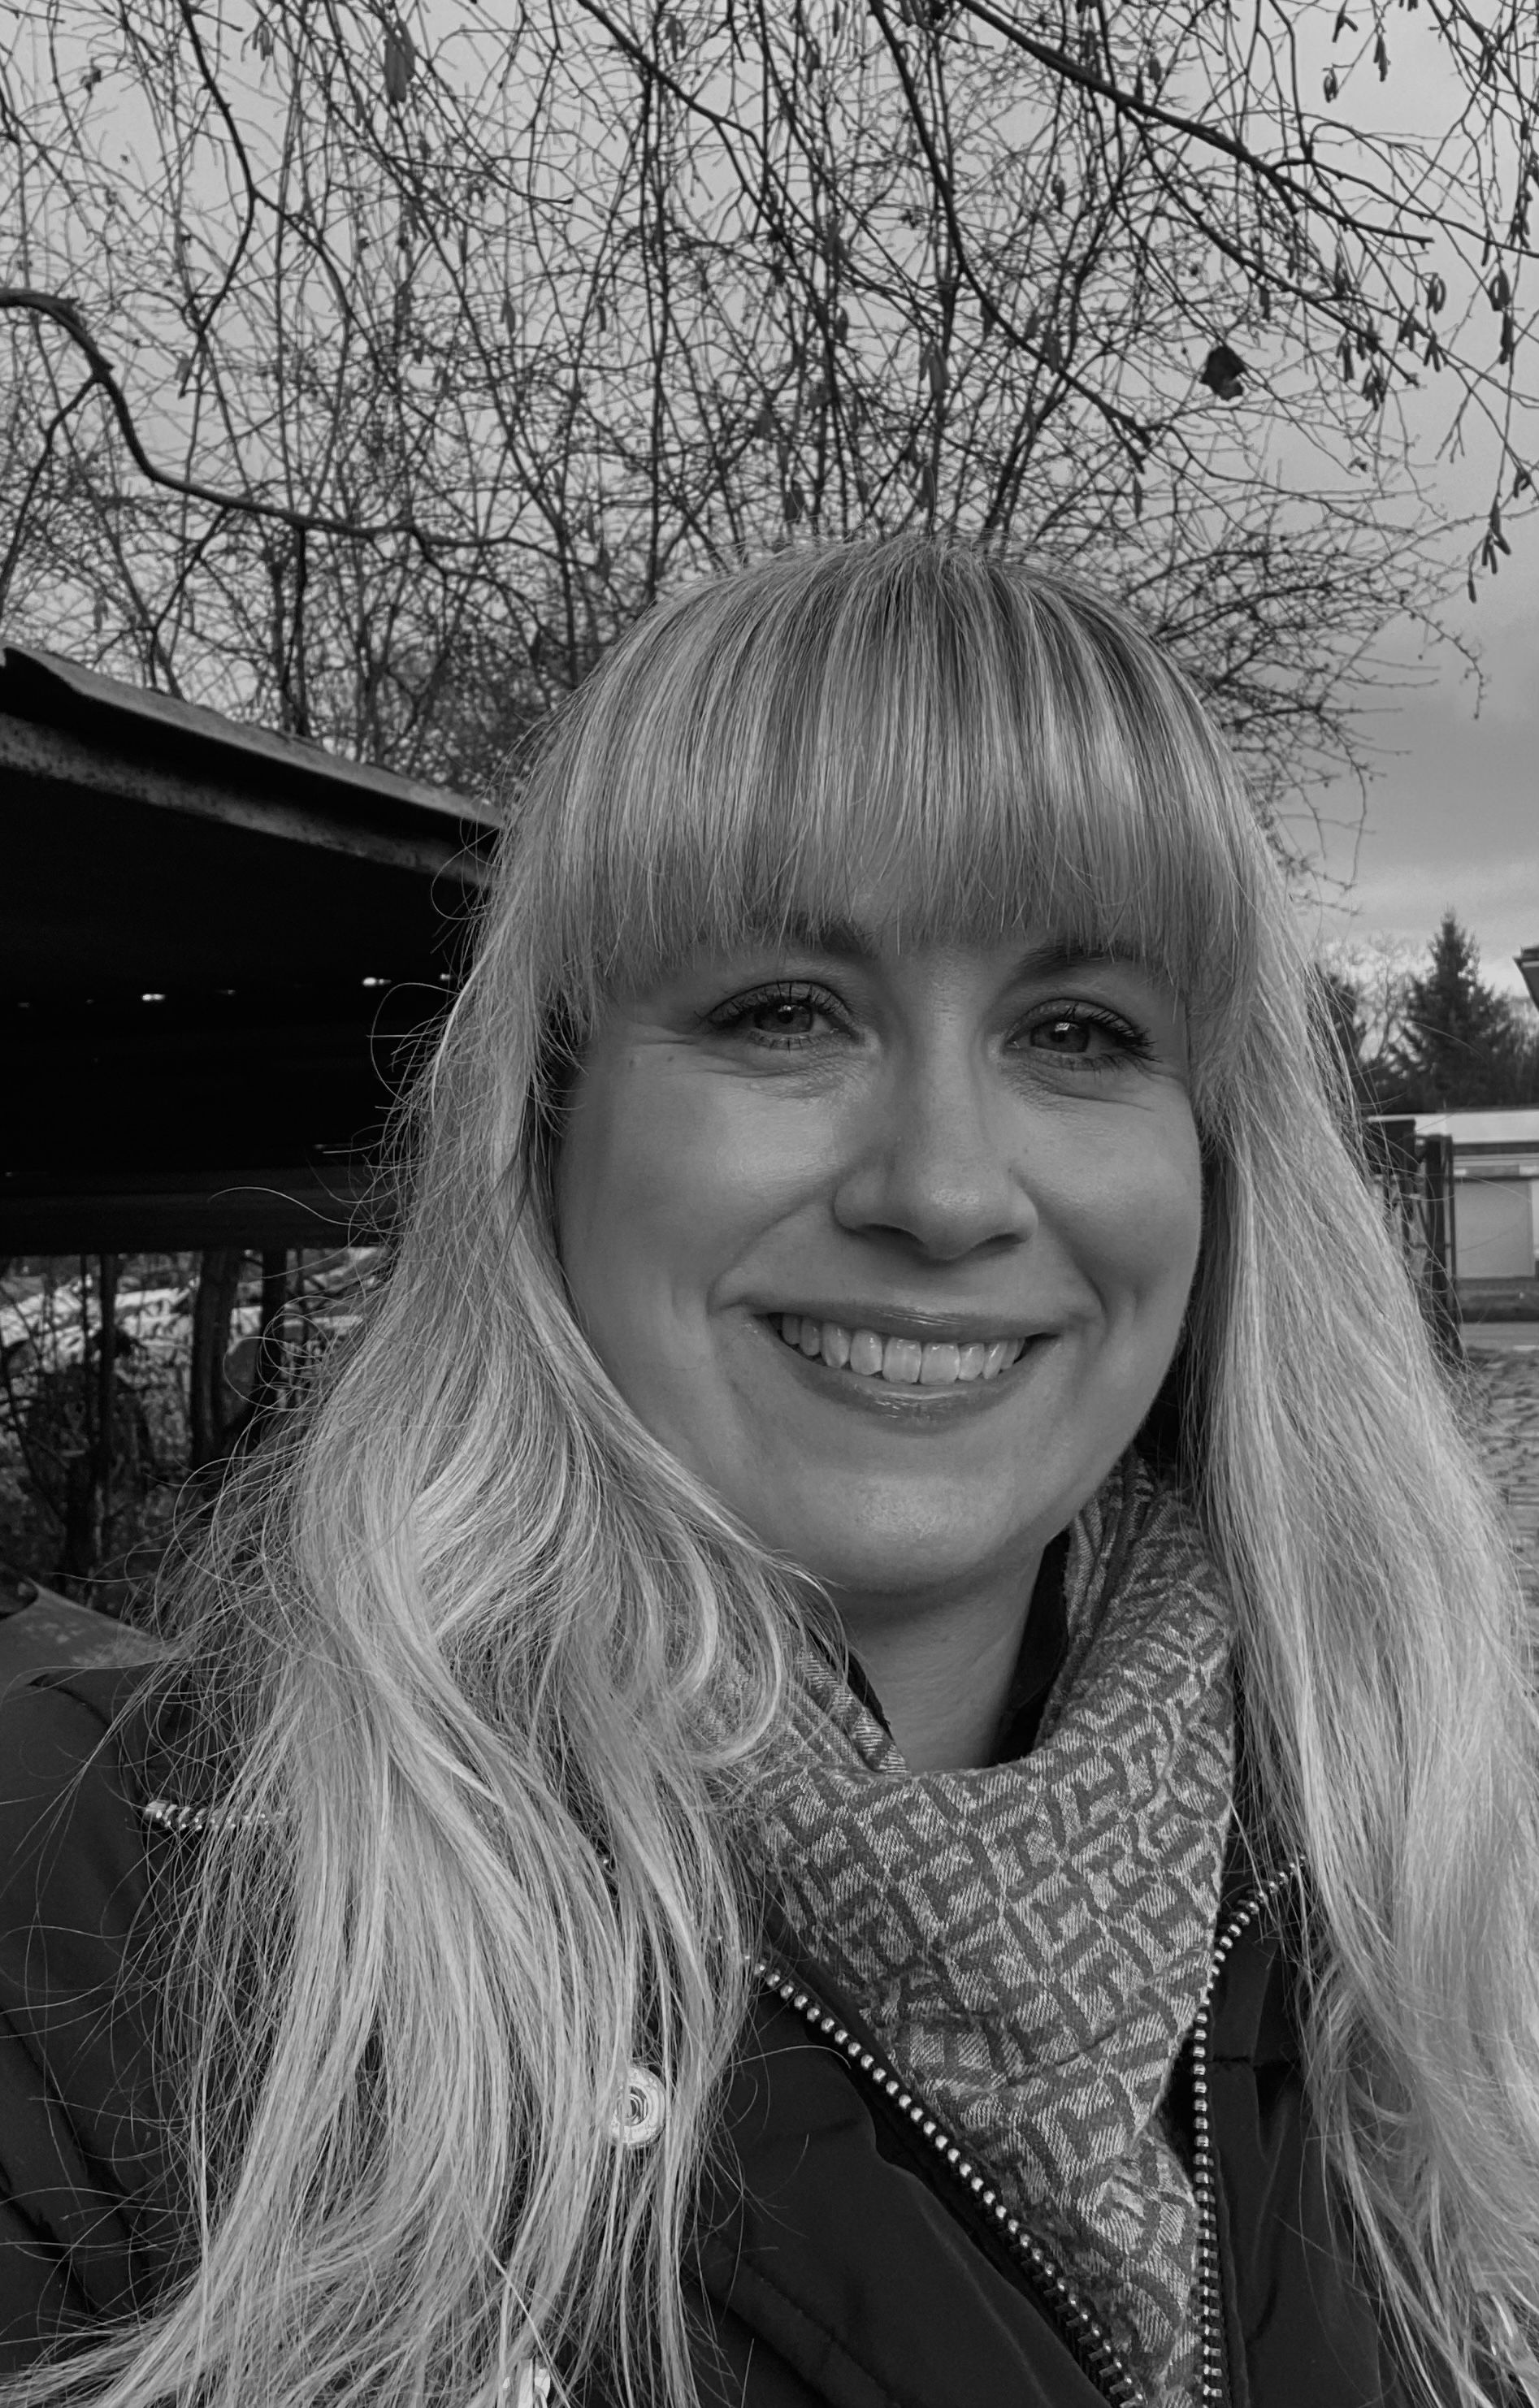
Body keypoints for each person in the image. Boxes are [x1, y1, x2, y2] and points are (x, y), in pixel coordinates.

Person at [2, 538, 1537, 2408]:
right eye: (783, 1011)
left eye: (1077, 1033)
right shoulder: (93, 1927)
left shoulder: (1417, 1889)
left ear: (1215, 1165)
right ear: (548, 1122)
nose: (943, 1190)